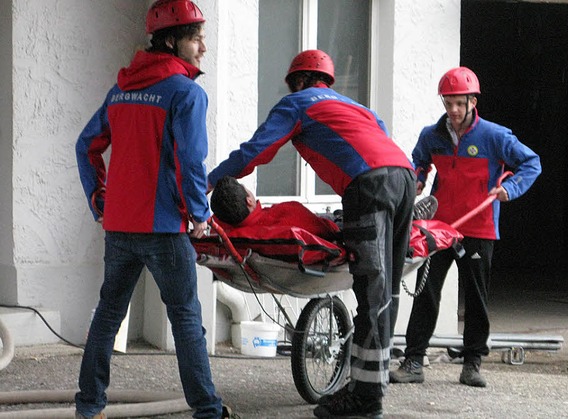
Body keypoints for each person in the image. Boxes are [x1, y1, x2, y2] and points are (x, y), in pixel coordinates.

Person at [207, 49, 416, 419]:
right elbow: (380, 139)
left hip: (366, 187)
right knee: (388, 291)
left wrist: (207, 182)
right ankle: (371, 384)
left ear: (298, 81)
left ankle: (365, 401)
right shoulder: (357, 107)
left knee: (370, 292)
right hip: (403, 176)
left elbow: (256, 151)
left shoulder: (297, 103)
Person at [74, 1, 229, 418]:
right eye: (196, 38)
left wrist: (99, 201)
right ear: (172, 40)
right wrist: (199, 213)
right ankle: (208, 411)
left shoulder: (121, 90)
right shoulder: (187, 93)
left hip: (121, 228)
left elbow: (85, 145)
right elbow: (190, 161)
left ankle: (89, 407)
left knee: (108, 316)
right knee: (186, 321)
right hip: (164, 229)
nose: (203, 47)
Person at [389, 67, 542, 388]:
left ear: (473, 101)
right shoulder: (431, 135)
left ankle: (472, 364)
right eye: (448, 104)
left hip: (479, 227)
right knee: (426, 294)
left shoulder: (495, 136)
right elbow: (418, 163)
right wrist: (416, 181)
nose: (454, 111)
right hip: (438, 228)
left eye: (460, 103)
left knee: (476, 297)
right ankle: (414, 361)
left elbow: (531, 163)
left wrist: (509, 190)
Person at [209, 175, 340, 241]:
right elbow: (328, 230)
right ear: (249, 200)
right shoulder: (288, 213)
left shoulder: (227, 233)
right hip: (330, 226)